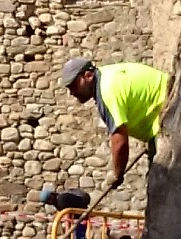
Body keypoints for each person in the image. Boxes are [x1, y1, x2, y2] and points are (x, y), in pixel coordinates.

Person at [63, 55, 169, 191]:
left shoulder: (107, 91)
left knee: (162, 190)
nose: (72, 92)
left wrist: (117, 174)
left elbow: (120, 141)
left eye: (74, 86)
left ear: (88, 76)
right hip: (165, 113)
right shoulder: (108, 76)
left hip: (168, 120)